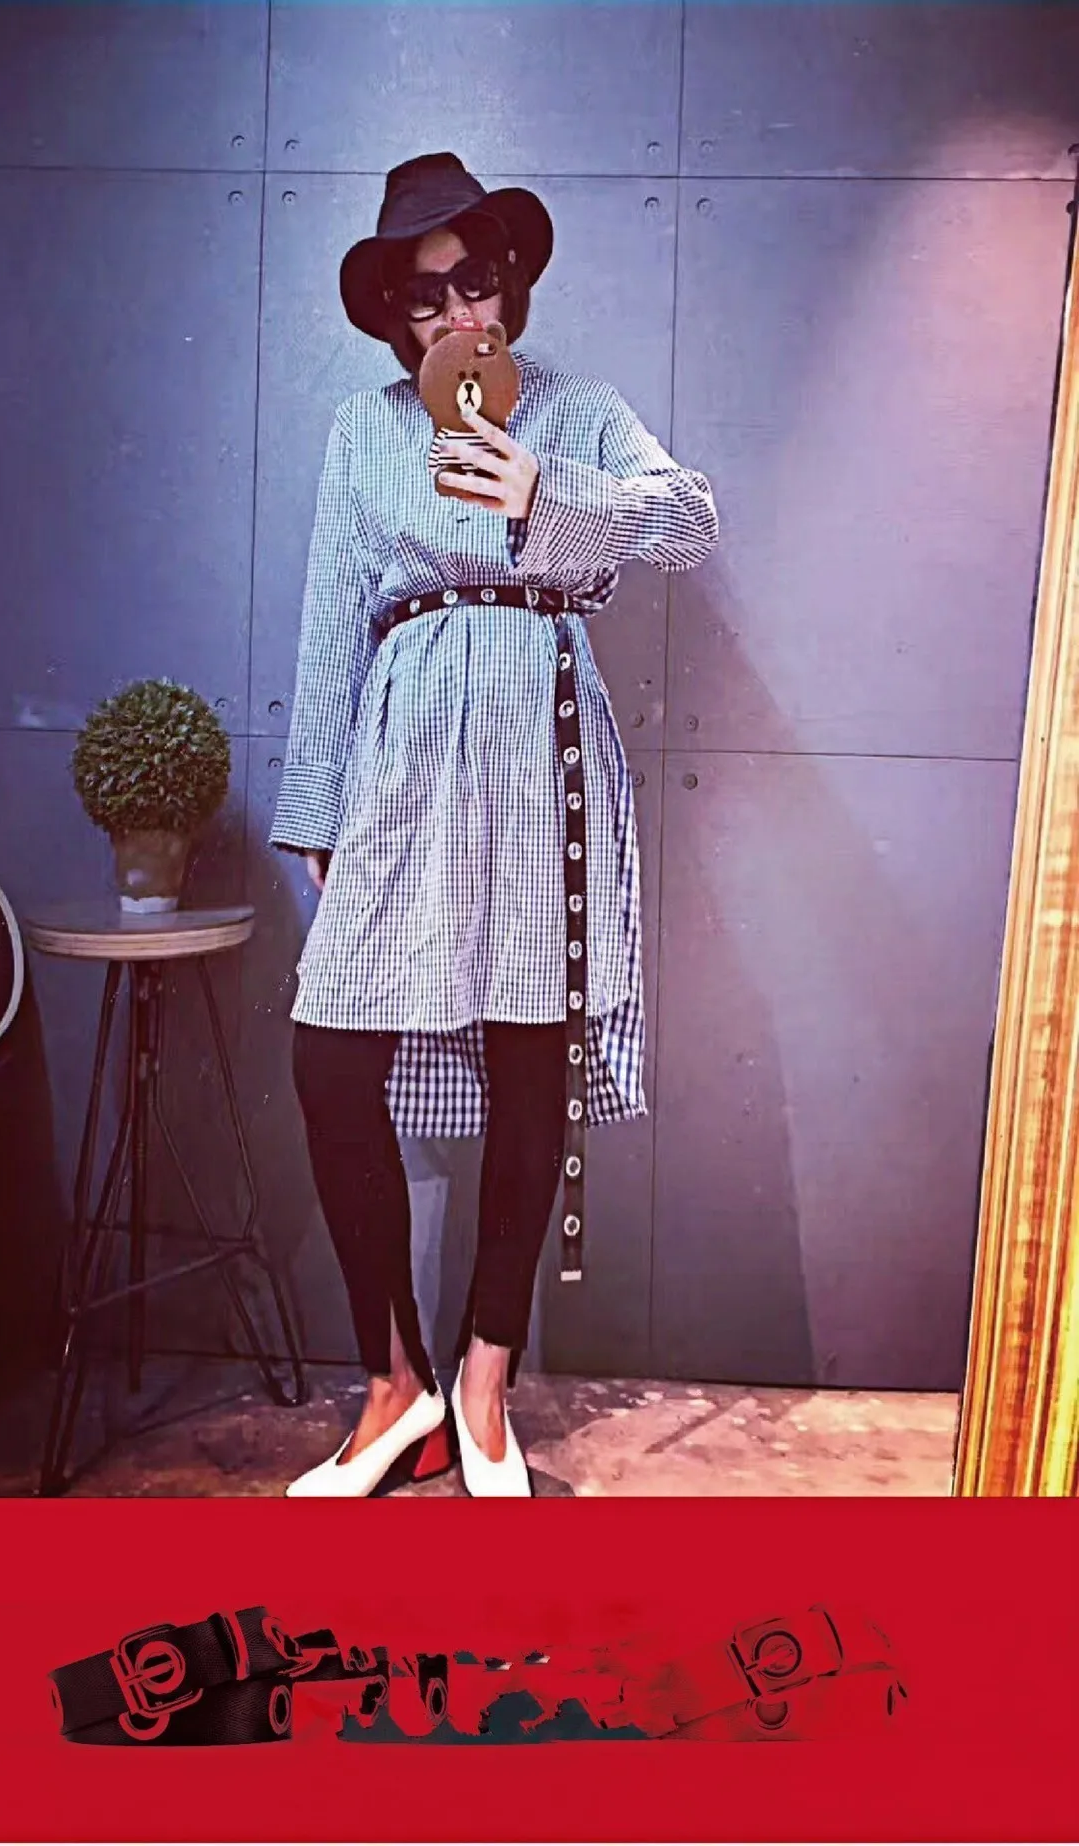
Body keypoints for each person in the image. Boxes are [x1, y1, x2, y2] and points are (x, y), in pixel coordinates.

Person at [269, 151, 718, 1497]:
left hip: (540, 738)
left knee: (531, 1056)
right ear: (393, 313)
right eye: (423, 294)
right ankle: (392, 1384)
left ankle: (483, 1381)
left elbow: (690, 525)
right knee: (330, 1052)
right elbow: (331, 618)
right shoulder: (364, 431)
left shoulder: (575, 411)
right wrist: (318, 809)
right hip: (406, 744)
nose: (454, 311)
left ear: (510, 285)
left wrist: (540, 493)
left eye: (473, 281)